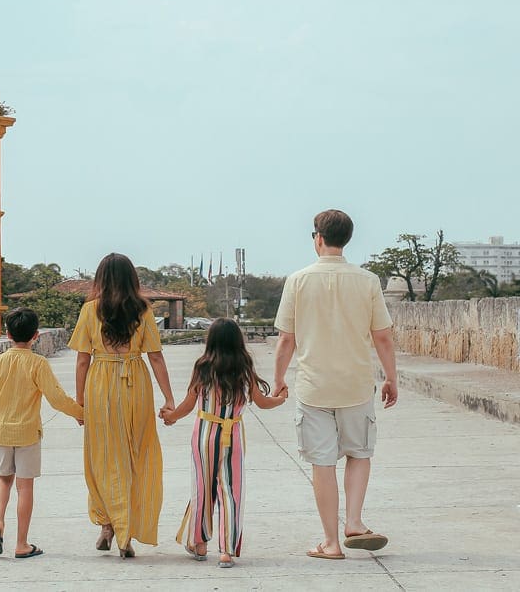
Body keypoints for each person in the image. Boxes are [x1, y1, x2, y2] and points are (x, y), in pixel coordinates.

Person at [273, 209, 398, 560]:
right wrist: (391, 377)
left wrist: (279, 379)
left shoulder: (297, 281)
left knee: (322, 463)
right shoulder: (368, 281)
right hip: (356, 386)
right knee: (359, 453)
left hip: (314, 389)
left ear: (318, 238)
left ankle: (330, 542)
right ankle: (355, 522)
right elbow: (383, 337)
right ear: (347, 239)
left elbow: (286, 339)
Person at [69, 253, 176, 558]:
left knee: (102, 457)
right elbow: (155, 356)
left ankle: (108, 524)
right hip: (135, 386)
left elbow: (81, 359)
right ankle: (126, 530)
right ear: (132, 278)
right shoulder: (142, 310)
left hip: (100, 385)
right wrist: (169, 398)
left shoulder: (90, 310)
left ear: (100, 278)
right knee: (136, 455)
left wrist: (80, 401)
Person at [160, 318, 287, 568]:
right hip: (234, 435)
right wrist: (280, 399)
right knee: (230, 491)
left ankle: (199, 543)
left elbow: (188, 402)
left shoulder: (203, 367)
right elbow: (261, 402)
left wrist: (171, 417)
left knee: (202, 487)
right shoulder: (244, 367)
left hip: (204, 434)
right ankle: (226, 550)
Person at [0, 307, 84, 559]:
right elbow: (56, 398)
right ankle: (21, 544)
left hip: (1, 432)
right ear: (36, 335)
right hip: (27, 434)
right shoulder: (38, 364)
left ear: (7, 334)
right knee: (25, 488)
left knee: (3, 478)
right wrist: (80, 413)